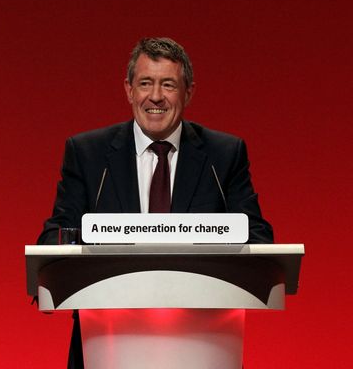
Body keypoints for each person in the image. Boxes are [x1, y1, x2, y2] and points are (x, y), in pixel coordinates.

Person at [36, 37, 273, 369]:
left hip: (202, 344)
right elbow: (55, 237)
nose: (156, 96)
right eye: (145, 83)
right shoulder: (88, 154)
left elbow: (258, 239)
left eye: (168, 85)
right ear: (129, 90)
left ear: (188, 92)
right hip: (107, 342)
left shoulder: (224, 155)